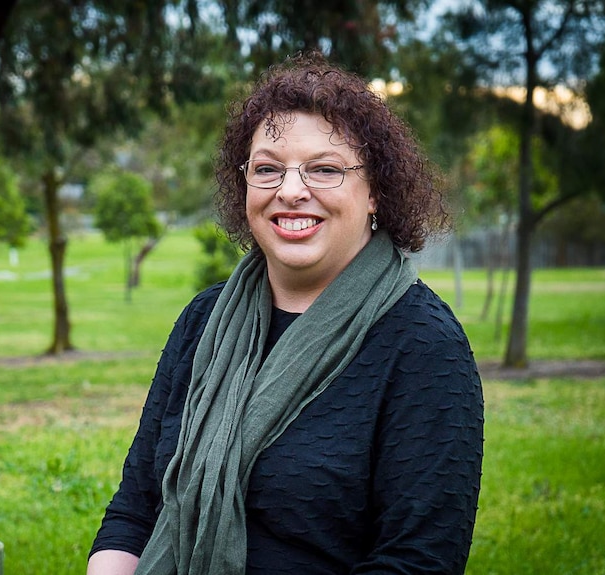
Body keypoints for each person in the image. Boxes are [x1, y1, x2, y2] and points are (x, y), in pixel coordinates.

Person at [87, 51, 484, 575]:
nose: (291, 191)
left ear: (376, 192)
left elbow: (417, 562)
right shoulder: (202, 323)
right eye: (268, 169)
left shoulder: (423, 344)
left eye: (324, 169)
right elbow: (134, 511)